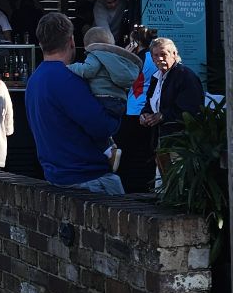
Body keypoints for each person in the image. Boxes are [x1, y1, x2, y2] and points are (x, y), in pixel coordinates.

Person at [24, 13, 123, 195]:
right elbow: (103, 126)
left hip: (57, 177)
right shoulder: (68, 78)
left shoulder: (34, 79)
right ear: (71, 40)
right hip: (88, 179)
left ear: (40, 43)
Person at [67, 26, 141, 172]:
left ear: (88, 45)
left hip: (103, 98)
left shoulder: (95, 54)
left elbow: (89, 70)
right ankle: (110, 146)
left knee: (87, 126)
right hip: (119, 101)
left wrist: (70, 67)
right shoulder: (117, 57)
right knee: (103, 127)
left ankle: (109, 151)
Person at [139, 37, 204, 178]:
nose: (159, 59)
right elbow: (151, 103)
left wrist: (162, 116)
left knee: (178, 183)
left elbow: (191, 109)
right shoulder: (156, 77)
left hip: (181, 143)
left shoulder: (185, 76)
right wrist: (145, 115)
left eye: (163, 54)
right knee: (163, 183)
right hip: (162, 141)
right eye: (155, 55)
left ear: (174, 54)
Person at [115, 25, 160, 193]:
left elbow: (123, 78)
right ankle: (146, 186)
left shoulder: (136, 59)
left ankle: (128, 187)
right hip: (150, 109)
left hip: (132, 108)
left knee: (125, 152)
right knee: (145, 152)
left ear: (134, 41)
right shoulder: (154, 57)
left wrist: (125, 55)